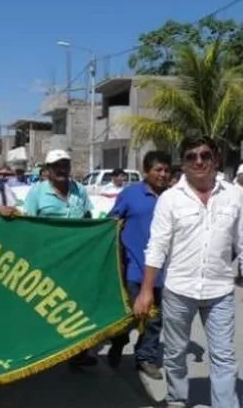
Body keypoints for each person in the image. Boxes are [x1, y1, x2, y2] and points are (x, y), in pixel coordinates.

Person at [134, 137, 241, 408]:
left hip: (220, 292)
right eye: (191, 156)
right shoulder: (170, 199)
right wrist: (146, 290)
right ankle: (177, 400)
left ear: (215, 159)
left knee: (224, 357)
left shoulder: (235, 196)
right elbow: (156, 246)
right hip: (179, 291)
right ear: (183, 163)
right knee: (175, 354)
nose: (199, 161)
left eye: (205, 155)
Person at [23, 149, 97, 367]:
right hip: (48, 261)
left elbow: (88, 219)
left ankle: (78, 352)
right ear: (47, 170)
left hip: (76, 261)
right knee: (46, 306)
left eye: (65, 165)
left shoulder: (80, 190)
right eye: (57, 166)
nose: (62, 169)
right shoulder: (36, 193)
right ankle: (40, 351)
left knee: (76, 307)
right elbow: (27, 226)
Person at [106, 151, 172, 379]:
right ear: (146, 172)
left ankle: (145, 357)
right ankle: (118, 342)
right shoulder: (130, 195)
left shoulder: (173, 197)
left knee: (155, 319)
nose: (163, 174)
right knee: (132, 316)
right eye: (158, 170)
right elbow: (111, 223)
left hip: (165, 271)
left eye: (166, 170)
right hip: (135, 268)